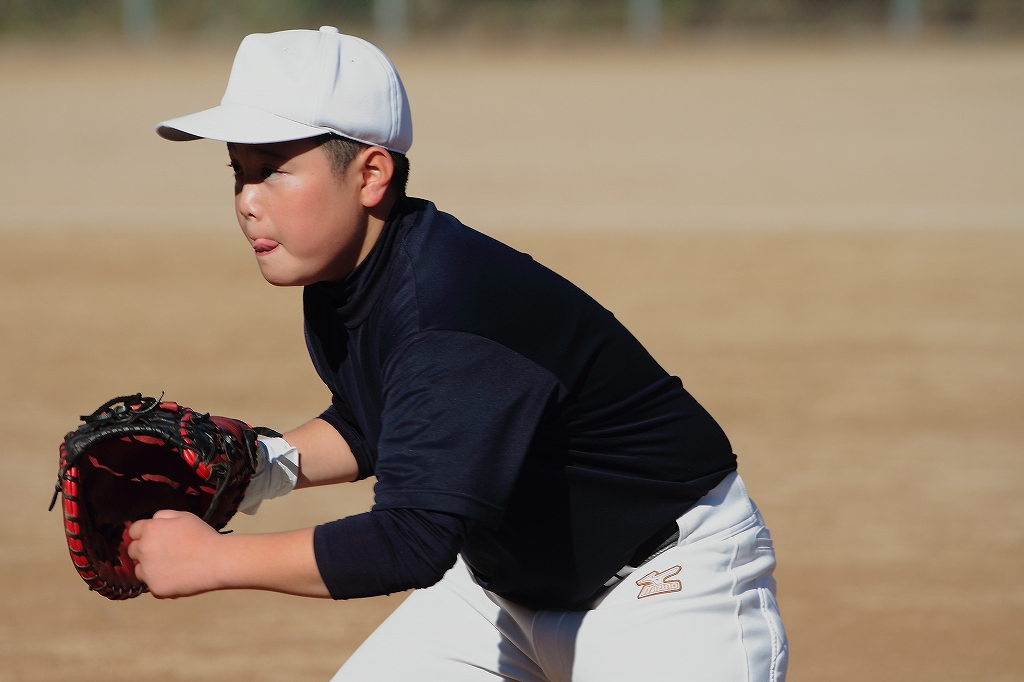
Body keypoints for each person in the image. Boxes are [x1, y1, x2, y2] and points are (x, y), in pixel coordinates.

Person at [128, 26, 788, 681]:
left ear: (371, 174)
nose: (247, 201)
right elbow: (377, 422)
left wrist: (212, 560)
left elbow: (410, 542)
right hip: (503, 593)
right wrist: (261, 466)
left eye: (274, 171)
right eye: (239, 174)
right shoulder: (348, 274)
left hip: (663, 588)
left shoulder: (446, 309)